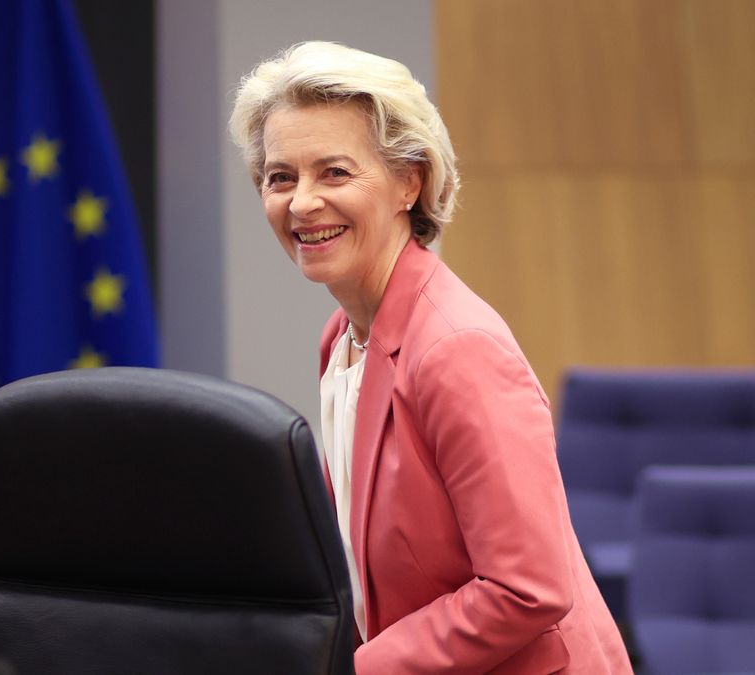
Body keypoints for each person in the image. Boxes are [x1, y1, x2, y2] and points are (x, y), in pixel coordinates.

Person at [229, 42, 631, 674]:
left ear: (408, 183)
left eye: (334, 172)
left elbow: (527, 590)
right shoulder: (343, 336)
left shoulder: (455, 349)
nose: (301, 202)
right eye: (280, 177)